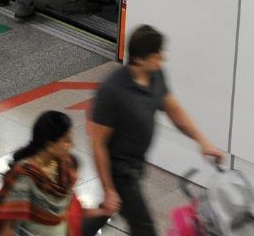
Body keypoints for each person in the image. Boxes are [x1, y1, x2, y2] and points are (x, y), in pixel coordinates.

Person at [89, 26, 224, 236]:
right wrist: (108, 189)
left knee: (108, 209)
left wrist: (204, 142)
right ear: (139, 59)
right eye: (157, 55)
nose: (163, 58)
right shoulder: (113, 90)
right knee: (144, 229)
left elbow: (175, 112)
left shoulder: (155, 75)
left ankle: (76, 230)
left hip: (136, 165)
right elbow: (98, 143)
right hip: (119, 172)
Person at [0, 111, 77, 236]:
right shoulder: (26, 176)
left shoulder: (64, 167)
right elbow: (8, 228)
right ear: (50, 145)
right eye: (66, 140)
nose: (72, 145)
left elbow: (64, 215)